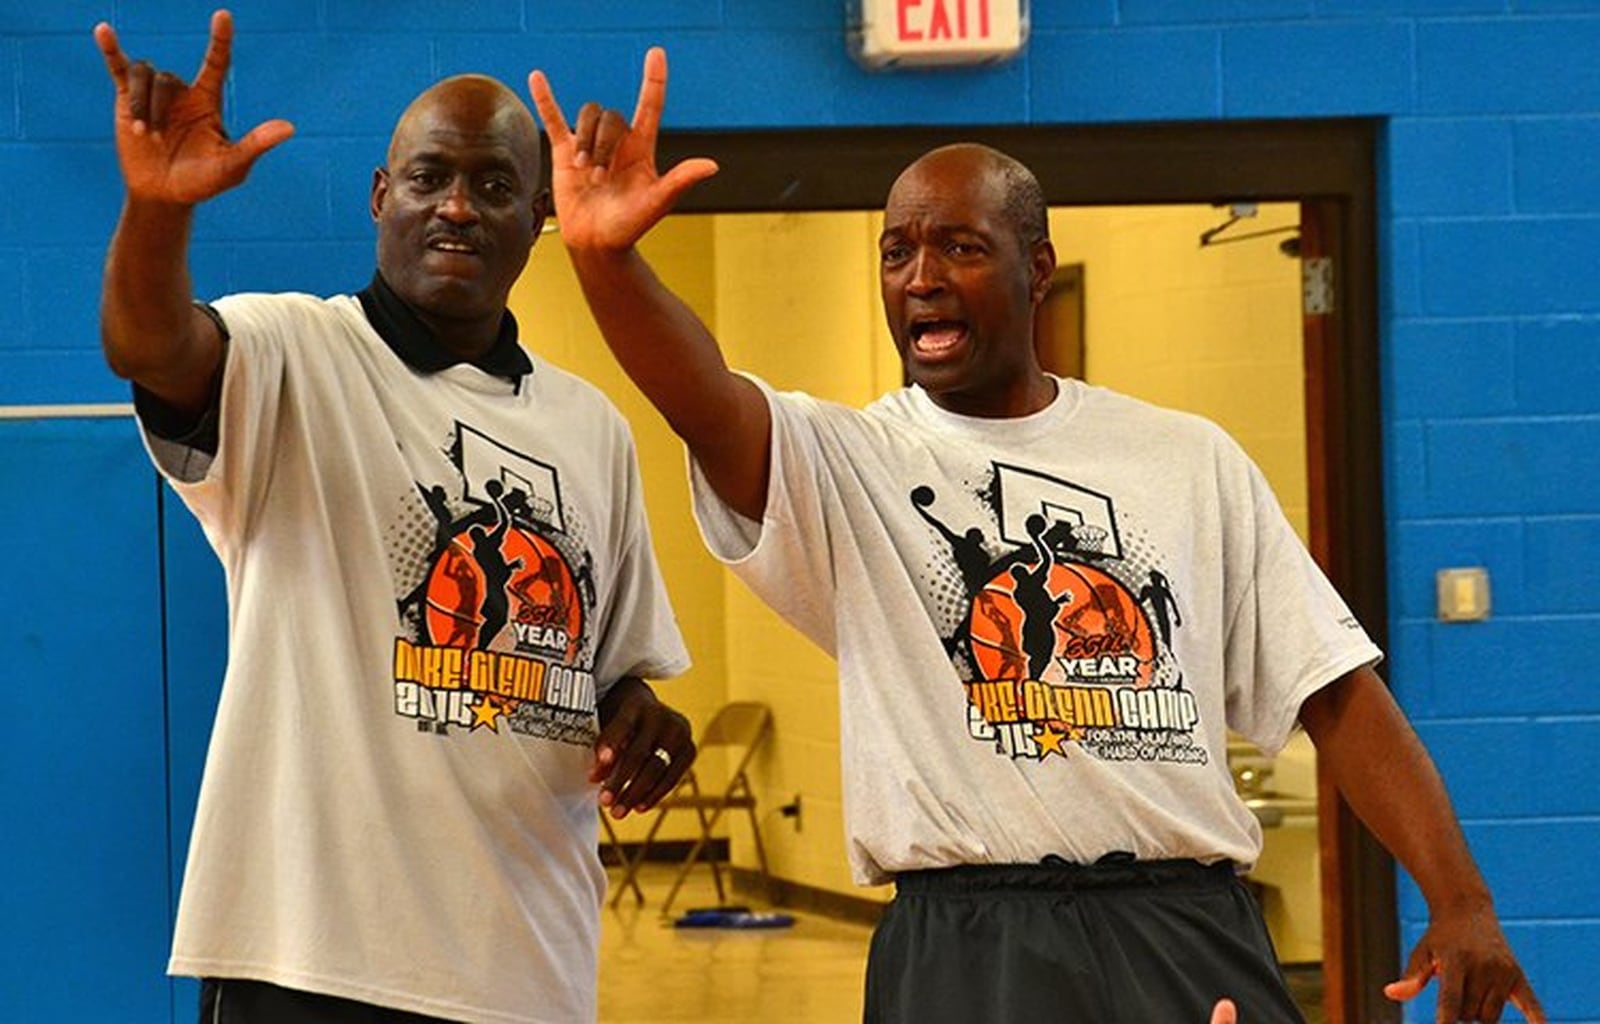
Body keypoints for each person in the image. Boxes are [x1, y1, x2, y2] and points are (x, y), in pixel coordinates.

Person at [527, 50, 1547, 1024]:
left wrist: (1458, 897)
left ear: (1036, 268)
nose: (920, 276)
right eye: (897, 251)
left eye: (960, 247)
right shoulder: (849, 463)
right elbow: (704, 403)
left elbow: (1332, 688)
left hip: (1183, 928)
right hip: (968, 942)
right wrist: (605, 263)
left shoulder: (1185, 458)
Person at [95, 13, 696, 1023]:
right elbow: (150, 346)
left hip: (527, 970)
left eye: (495, 187)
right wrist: (155, 212)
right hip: (310, 959)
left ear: (539, 218)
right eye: (428, 179)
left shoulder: (590, 429)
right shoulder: (293, 352)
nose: (456, 207)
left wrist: (643, 716)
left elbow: (606, 670)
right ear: (382, 196)